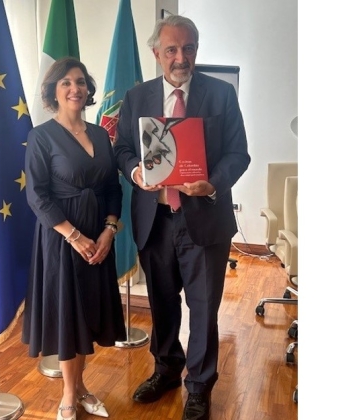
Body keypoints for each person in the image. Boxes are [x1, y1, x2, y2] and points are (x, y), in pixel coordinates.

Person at [112, 15, 251, 420]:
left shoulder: (221, 95)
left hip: (204, 219)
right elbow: (122, 148)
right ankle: (167, 370)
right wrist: (137, 172)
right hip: (154, 219)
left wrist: (212, 183)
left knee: (204, 307)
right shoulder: (137, 97)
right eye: (171, 49)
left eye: (188, 48)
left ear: (196, 51)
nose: (180, 57)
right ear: (157, 53)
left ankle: (200, 385)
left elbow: (238, 154)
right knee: (162, 302)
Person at [22, 57, 127, 420]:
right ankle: (69, 394)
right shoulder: (40, 136)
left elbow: (114, 188)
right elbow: (37, 196)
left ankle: (81, 387)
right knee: (69, 315)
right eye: (65, 82)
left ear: (88, 89)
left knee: (88, 315)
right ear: (53, 90)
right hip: (62, 242)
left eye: (80, 81)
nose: (74, 88)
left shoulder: (100, 134)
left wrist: (109, 231)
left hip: (99, 240)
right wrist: (75, 236)